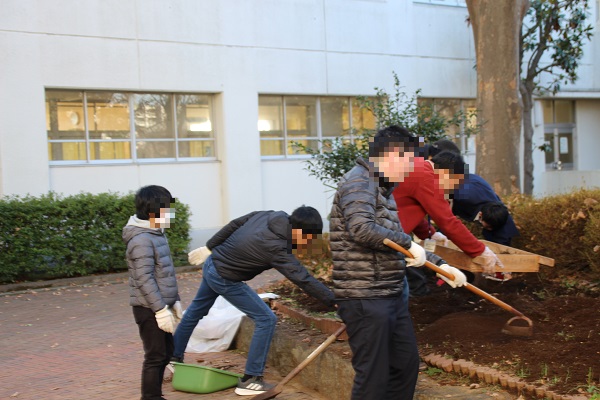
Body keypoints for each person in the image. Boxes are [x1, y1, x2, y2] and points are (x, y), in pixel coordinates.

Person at [329, 125, 466, 400]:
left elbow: (398, 238)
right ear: (392, 154)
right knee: (374, 378)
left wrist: (440, 264)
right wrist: (408, 244)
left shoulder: (383, 188)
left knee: (405, 366)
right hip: (366, 296)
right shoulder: (360, 182)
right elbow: (362, 229)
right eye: (409, 161)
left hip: (389, 293)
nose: (411, 169)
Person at [173, 206, 335, 396]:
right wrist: (333, 300)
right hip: (225, 277)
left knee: (196, 311)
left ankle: (173, 356)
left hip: (213, 263)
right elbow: (301, 278)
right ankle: (251, 380)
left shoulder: (270, 215)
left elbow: (235, 224)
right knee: (266, 319)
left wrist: (210, 246)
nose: (308, 243)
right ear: (298, 231)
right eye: (308, 238)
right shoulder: (276, 248)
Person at [393, 149, 504, 295]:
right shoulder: (427, 177)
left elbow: (406, 208)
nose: (452, 188)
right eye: (455, 182)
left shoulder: (418, 168)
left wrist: (431, 234)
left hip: (388, 233)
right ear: (446, 173)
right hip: (386, 238)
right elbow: (448, 221)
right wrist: (480, 250)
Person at [123, 185, 182, 400]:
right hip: (148, 308)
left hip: (160, 305)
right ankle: (150, 397)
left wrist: (174, 301)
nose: (171, 214)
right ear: (152, 213)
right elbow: (144, 278)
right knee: (155, 355)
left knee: (166, 352)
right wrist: (159, 310)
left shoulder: (156, 233)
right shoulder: (141, 240)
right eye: (167, 209)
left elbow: (164, 274)